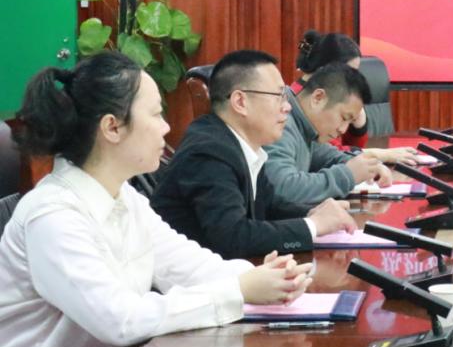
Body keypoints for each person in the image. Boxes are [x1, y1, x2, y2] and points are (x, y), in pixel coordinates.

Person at [0, 53, 311, 347]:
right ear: (112, 127)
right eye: (155, 114)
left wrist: (262, 277)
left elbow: (185, 265)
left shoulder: (124, 197)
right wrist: (238, 290)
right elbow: (120, 321)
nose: (166, 127)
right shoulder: (52, 216)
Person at [151, 50, 356, 259]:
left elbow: (269, 205)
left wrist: (312, 213)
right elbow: (233, 237)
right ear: (240, 102)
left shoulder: (241, 144)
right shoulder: (209, 152)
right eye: (278, 96)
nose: (287, 107)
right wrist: (312, 226)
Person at [266, 63, 394, 205]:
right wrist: (348, 175)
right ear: (318, 98)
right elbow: (282, 190)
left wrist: (366, 165)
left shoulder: (306, 126)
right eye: (344, 118)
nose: (343, 130)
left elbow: (327, 156)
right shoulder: (282, 123)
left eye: (350, 122)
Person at [293, 29, 416, 166]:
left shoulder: (333, 94)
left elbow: (345, 150)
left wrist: (358, 126)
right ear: (327, 68)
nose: (353, 79)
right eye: (349, 71)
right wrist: (383, 155)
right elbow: (328, 155)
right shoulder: (303, 100)